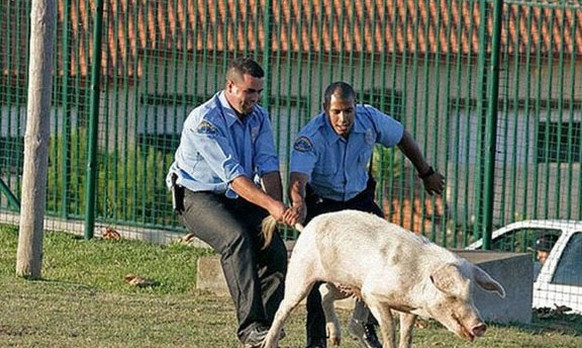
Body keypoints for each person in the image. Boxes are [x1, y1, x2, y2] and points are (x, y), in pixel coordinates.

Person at [288, 81, 445, 348]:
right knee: (315, 270)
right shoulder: (310, 136)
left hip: (360, 199)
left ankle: (363, 323)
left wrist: (426, 172)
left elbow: (403, 137)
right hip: (323, 203)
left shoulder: (370, 119)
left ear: (355, 108)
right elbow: (298, 178)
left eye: (348, 111)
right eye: (336, 111)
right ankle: (316, 340)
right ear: (325, 109)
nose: (343, 118)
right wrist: (298, 202)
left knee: (384, 259)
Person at [166, 57, 297, 348]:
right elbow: (234, 176)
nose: (255, 99)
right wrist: (272, 206)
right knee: (236, 239)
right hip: (196, 195)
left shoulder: (259, 117)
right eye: (249, 92)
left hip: (238, 195)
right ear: (231, 87)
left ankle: (267, 329)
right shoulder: (205, 121)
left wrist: (274, 207)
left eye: (259, 92)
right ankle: (250, 328)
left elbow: (268, 165)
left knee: (273, 247)